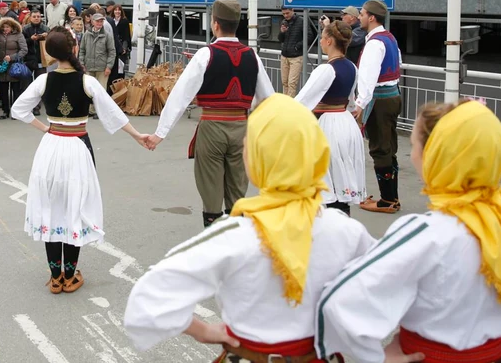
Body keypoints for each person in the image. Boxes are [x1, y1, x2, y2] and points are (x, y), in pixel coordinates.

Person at [124, 94, 374, 360]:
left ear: (257, 159)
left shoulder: (234, 234)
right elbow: (386, 288)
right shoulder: (346, 231)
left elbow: (149, 296)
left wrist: (203, 331)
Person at [316, 100, 501, 363]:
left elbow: (337, 301)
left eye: (415, 147)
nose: (413, 156)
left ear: (435, 157)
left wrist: (376, 357)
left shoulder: (426, 234)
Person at [12, 27, 148, 293]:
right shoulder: (87, 82)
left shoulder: (43, 80)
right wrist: (137, 136)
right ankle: (70, 275)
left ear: (50, 53)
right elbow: (113, 115)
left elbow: (19, 110)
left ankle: (55, 277)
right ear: (74, 48)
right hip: (77, 148)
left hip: (51, 148)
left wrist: (46, 128)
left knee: (52, 207)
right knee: (74, 207)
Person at [145, 0, 274, 228]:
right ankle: (237, 239)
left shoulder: (206, 54)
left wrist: (160, 133)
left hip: (212, 125)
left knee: (210, 189)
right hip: (242, 128)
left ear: (215, 24)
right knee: (238, 192)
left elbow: (181, 95)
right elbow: (268, 99)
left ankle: (214, 233)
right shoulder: (252, 56)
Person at [294, 20, 366, 216]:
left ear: (329, 41)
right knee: (342, 175)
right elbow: (350, 101)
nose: (321, 41)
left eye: (322, 38)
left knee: (330, 178)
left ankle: (335, 222)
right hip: (346, 123)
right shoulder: (352, 67)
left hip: (330, 125)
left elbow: (302, 100)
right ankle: (343, 220)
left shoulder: (326, 69)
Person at [352, 0, 403, 213]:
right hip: (393, 95)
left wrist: (360, 104)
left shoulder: (374, 43)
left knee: (380, 148)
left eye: (362, 14)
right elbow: (398, 63)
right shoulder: (389, 38)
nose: (360, 17)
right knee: (389, 147)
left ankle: (387, 200)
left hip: (380, 100)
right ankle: (392, 197)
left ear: (371, 17)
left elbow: (368, 77)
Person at [79, 12, 116, 119]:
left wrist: (109, 66)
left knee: (100, 91)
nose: (100, 23)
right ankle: (91, 110)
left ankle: (99, 111)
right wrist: (82, 63)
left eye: (101, 21)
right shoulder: (86, 34)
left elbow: (112, 52)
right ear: (92, 22)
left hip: (102, 67)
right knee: (89, 90)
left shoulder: (107, 35)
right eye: (97, 21)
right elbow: (82, 50)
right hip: (89, 66)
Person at [0, 17, 27, 120]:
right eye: (4, 27)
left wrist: (12, 57)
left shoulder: (19, 35)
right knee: (3, 90)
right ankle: (5, 111)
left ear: (12, 27)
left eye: (7, 27)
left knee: (15, 90)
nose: (5, 29)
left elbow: (24, 50)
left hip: (14, 66)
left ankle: (15, 111)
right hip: (2, 65)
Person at [22, 9, 50, 115]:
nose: (37, 18)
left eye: (38, 16)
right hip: (28, 59)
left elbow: (52, 42)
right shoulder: (25, 29)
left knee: (40, 85)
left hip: (41, 60)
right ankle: (28, 106)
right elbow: (21, 43)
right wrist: (31, 39)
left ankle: (37, 107)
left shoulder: (45, 28)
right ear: (30, 18)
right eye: (34, 16)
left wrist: (47, 37)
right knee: (27, 85)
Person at [278, 6, 306, 97]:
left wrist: (297, 46)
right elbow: (280, 39)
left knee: (292, 83)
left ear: (292, 10)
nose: (285, 15)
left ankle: (289, 102)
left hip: (296, 57)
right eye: (283, 14)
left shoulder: (301, 21)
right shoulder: (284, 22)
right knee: (285, 82)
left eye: (287, 13)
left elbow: (309, 36)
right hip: (285, 55)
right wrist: (282, 32)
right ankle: (286, 101)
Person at [111, 3, 132, 75]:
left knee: (121, 68)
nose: (117, 11)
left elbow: (126, 36)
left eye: (119, 10)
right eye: (115, 10)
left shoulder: (124, 21)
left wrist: (124, 48)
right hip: (112, 45)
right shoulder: (111, 21)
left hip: (121, 45)